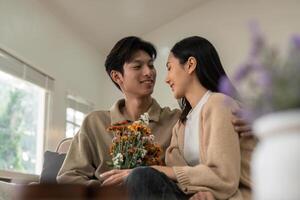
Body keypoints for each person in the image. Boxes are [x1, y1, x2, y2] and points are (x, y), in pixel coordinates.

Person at [57, 36, 253, 199]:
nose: (149, 72)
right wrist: (112, 190)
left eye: (151, 65)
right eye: (137, 66)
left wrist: (255, 123)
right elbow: (68, 177)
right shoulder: (94, 123)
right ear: (117, 77)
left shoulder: (177, 120)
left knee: (142, 177)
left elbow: (207, 170)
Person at [126, 36, 256, 200]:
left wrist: (211, 194)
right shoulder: (180, 127)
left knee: (141, 177)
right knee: (139, 180)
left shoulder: (219, 104)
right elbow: (180, 182)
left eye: (169, 68)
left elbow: (224, 178)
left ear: (190, 65)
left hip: (236, 196)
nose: (166, 79)